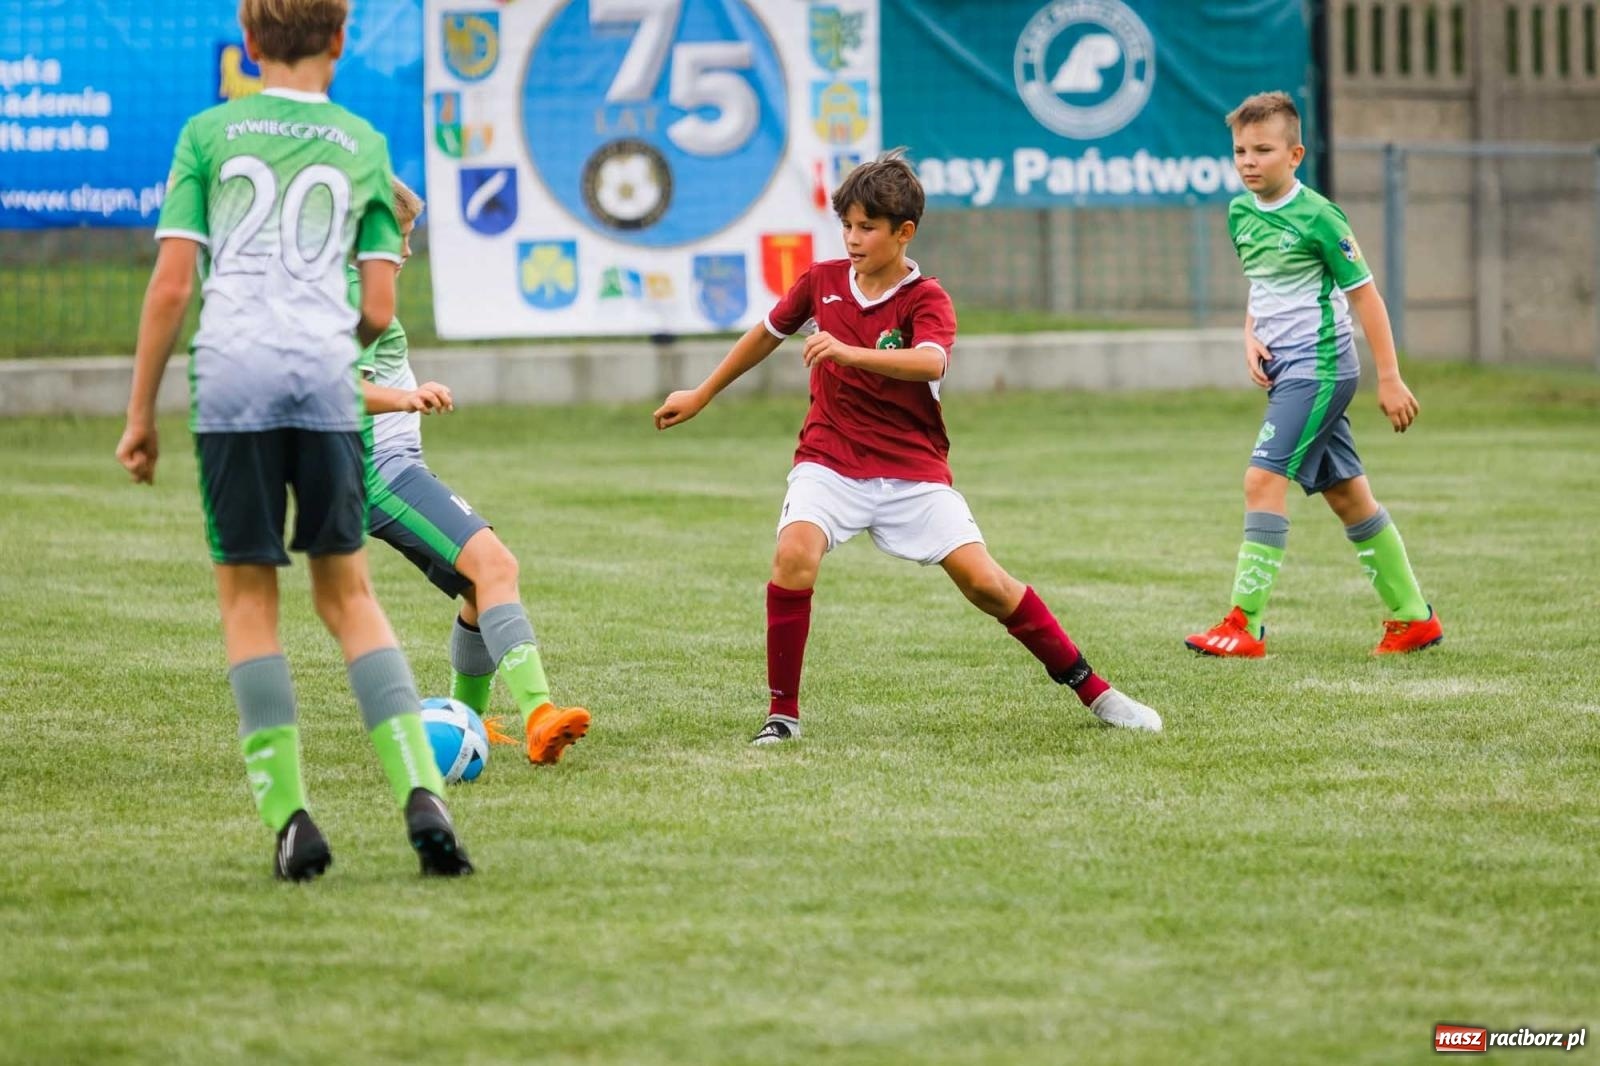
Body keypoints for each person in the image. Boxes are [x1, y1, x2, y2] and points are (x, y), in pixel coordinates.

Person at [115, 0, 472, 881]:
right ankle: (422, 796)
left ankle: (292, 822)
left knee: (249, 603)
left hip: (230, 381)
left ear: (248, 41)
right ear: (341, 40)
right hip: (323, 383)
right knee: (348, 596)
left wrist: (139, 416)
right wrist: (316, 352)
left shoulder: (208, 133)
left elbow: (169, 289)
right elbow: (380, 310)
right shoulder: (360, 144)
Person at [653, 150, 1163, 743]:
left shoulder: (927, 299)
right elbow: (766, 333)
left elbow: (929, 361)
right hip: (830, 459)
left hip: (911, 469)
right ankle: (782, 716)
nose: (852, 237)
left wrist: (847, 352)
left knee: (987, 584)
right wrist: (703, 392)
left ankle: (1095, 692)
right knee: (794, 555)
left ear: (904, 233)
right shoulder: (820, 281)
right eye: (846, 224)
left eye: (867, 227)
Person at [1185, 91, 1443, 658]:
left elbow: (1366, 297)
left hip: (1321, 365)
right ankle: (1412, 618)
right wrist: (1250, 332)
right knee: (1349, 497)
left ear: (1295, 154)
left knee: (1261, 480)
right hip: (1285, 369)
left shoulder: (1321, 217)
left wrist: (1391, 377)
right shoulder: (1240, 212)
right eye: (1239, 151)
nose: (1248, 161)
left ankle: (1244, 625)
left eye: (1263, 150)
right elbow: (1265, 285)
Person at [350, 177, 591, 765]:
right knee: (495, 564)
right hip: (376, 469)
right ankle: (539, 715)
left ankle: (470, 720)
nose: (407, 252)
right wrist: (403, 398)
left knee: (479, 587)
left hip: (385, 465)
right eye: (400, 237)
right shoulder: (351, 294)